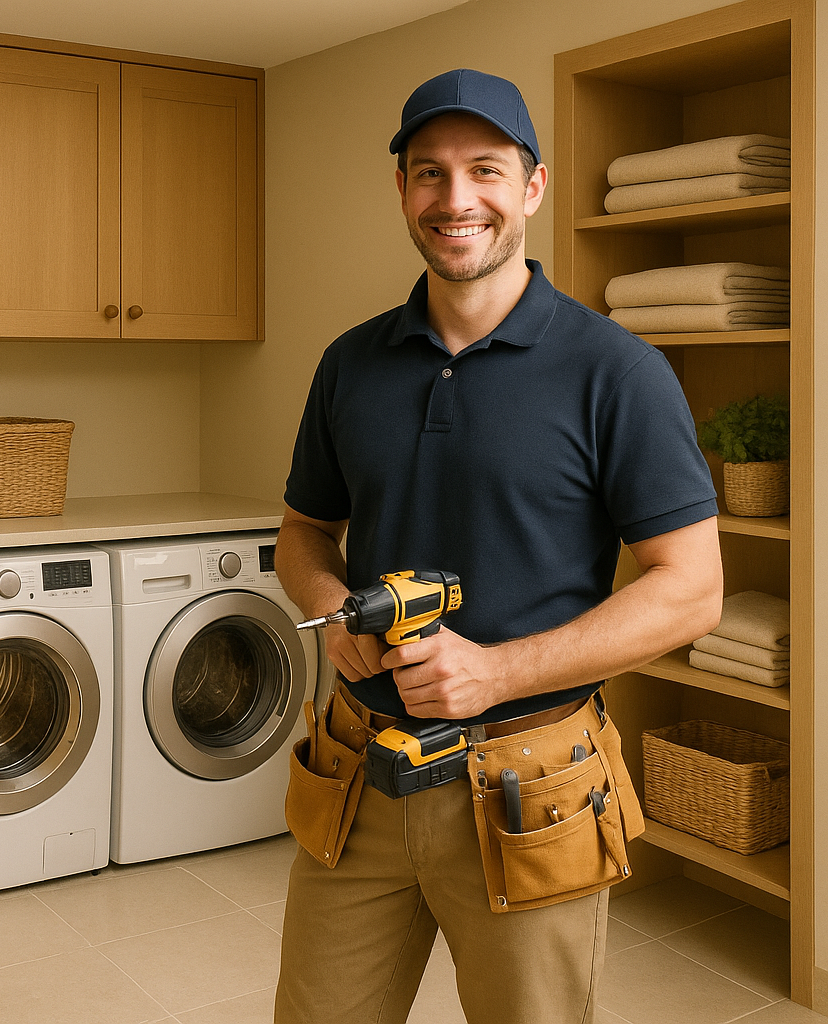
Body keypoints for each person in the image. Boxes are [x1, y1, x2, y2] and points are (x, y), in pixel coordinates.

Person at [273, 68, 724, 1024]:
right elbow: (305, 531)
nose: (456, 197)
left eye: (485, 169)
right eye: (428, 173)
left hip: (531, 789)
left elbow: (691, 592)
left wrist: (498, 673)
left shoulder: (619, 373)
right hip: (359, 779)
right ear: (401, 191)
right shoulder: (349, 364)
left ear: (532, 187)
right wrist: (330, 613)